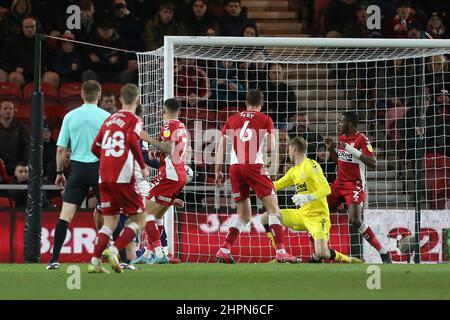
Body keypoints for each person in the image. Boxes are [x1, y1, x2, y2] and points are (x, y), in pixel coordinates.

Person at [214, 89, 299, 263]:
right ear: (262, 103)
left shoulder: (232, 119)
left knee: (244, 215)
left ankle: (224, 249)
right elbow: (271, 148)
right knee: (274, 210)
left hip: (235, 168)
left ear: (246, 102)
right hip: (254, 166)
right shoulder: (266, 119)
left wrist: (218, 170)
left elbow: (221, 145)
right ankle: (281, 252)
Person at [261, 137, 363, 263]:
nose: (288, 153)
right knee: (266, 217)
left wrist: (308, 197)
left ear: (293, 149)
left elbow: (326, 189)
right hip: (301, 215)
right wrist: (259, 178)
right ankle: (280, 253)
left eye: (289, 150)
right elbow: (275, 185)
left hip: (318, 217)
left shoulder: (312, 165)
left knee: (322, 253)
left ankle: (350, 259)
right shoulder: (293, 171)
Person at [46, 80, 110, 270]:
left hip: (78, 170)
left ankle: (54, 260)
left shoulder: (70, 116)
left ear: (82, 95)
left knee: (65, 216)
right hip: (100, 169)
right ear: (99, 96)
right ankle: (123, 259)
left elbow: (60, 149)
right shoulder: (107, 117)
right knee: (111, 215)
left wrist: (59, 172)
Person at [88, 83, 149, 273]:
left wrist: (109, 159)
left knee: (110, 222)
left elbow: (94, 147)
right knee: (140, 220)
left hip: (103, 176)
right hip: (123, 176)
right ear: (137, 99)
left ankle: (95, 263)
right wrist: (143, 166)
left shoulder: (109, 119)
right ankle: (114, 250)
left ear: (121, 99)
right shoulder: (135, 120)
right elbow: (131, 139)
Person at [324, 111, 392, 263]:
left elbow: (373, 163)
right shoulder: (341, 139)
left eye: (341, 122)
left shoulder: (362, 139)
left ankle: (383, 253)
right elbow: (339, 161)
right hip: (338, 184)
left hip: (354, 185)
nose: (339, 124)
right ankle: (318, 253)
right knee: (319, 210)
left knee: (355, 219)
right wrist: (330, 149)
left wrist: (354, 151)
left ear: (350, 124)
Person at [138, 98, 188, 264]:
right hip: (179, 174)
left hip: (169, 174)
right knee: (158, 214)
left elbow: (167, 148)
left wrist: (149, 139)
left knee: (146, 211)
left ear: (162, 111)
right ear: (179, 112)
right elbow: (171, 150)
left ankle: (159, 253)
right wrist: (156, 152)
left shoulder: (168, 125)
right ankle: (148, 254)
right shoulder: (182, 126)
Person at [0, 17, 59, 87]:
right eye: (26, 27)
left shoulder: (43, 42)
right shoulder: (12, 42)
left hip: (40, 74)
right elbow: (3, 62)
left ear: (36, 27)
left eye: (32, 27)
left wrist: (44, 69)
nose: (30, 29)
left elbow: (50, 61)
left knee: (53, 76)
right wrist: (14, 68)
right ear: (22, 28)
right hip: (20, 74)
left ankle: (47, 97)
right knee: (14, 77)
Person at [0, 101, 29, 175]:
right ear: (0, 110)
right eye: (5, 108)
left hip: (18, 163)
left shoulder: (20, 126)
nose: (8, 110)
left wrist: (24, 162)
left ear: (13, 111)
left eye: (10, 109)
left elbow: (28, 144)